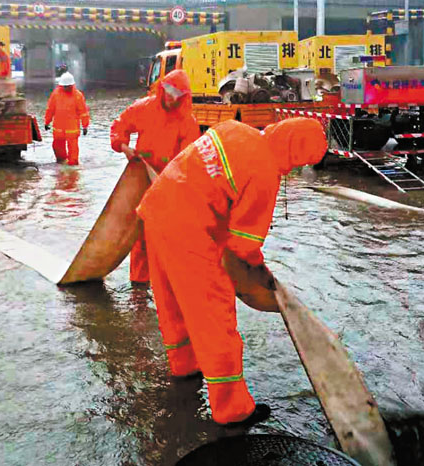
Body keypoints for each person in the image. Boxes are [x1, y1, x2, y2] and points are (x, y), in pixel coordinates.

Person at [137, 118, 327, 427]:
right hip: (189, 230)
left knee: (172, 304)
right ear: (297, 156)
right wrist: (259, 276)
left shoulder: (235, 129)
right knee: (214, 317)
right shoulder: (265, 173)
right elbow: (242, 246)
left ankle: (184, 366)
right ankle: (232, 409)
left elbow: (216, 189)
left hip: (157, 207)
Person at [110, 69, 200, 283]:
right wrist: (123, 146)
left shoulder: (187, 121)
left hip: (169, 182)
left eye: (176, 94)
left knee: (166, 234)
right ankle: (139, 284)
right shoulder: (145, 108)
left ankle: (166, 280)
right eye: (168, 91)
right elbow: (120, 125)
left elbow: (188, 158)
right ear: (162, 89)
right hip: (142, 177)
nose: (170, 97)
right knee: (140, 232)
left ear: (183, 96)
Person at [44, 72, 89, 166]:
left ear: (71, 85)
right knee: (58, 149)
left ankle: (72, 170)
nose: (66, 88)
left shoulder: (78, 96)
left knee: (73, 151)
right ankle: (62, 165)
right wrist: (47, 122)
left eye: (67, 86)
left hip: (71, 129)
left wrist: (85, 126)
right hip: (59, 128)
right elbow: (50, 109)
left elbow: (83, 112)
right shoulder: (56, 94)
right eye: (64, 86)